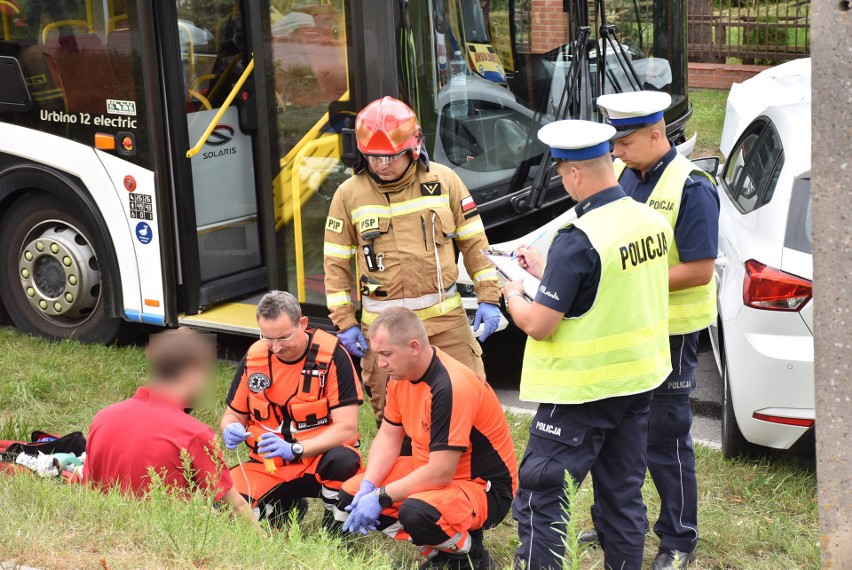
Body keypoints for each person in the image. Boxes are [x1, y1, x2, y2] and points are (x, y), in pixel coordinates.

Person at [503, 120, 674, 570]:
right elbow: (607, 289)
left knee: (542, 496)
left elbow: (540, 325)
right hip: (637, 385)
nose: (563, 181)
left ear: (575, 173)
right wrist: (548, 271)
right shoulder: (649, 221)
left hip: (579, 395)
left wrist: (515, 295)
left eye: (561, 173)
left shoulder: (577, 239)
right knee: (621, 496)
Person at [585, 90, 720, 569]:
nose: (615, 154)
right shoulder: (628, 176)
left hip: (673, 334)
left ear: (656, 134)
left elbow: (700, 269)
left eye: (623, 144)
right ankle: (614, 521)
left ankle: (679, 539)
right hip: (632, 328)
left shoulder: (693, 187)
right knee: (620, 429)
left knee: (665, 438)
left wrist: (628, 279)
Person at [323, 96, 502, 420]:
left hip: (446, 324)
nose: (382, 165)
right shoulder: (348, 195)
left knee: (472, 406)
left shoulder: (444, 181)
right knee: (394, 418)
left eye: (391, 156)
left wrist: (489, 296)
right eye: (374, 157)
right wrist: (345, 322)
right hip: (384, 330)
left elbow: (475, 244)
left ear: (414, 147)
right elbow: (336, 264)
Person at [337, 307, 517, 570]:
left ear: (413, 347)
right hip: (430, 473)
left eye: (387, 354)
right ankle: (439, 552)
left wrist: (381, 496)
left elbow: (441, 472)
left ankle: (470, 557)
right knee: (349, 495)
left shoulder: (450, 385)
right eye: (379, 355)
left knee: (416, 512)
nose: (382, 363)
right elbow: (388, 436)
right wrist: (368, 486)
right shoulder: (400, 375)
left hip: (483, 487)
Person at [220, 291, 364, 529]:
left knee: (344, 460)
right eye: (268, 338)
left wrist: (296, 449)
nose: (276, 348)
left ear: (303, 324)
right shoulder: (254, 357)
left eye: (284, 338)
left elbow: (347, 429)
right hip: (268, 465)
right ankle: (285, 508)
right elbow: (232, 414)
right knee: (226, 507)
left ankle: (335, 533)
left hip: (318, 460)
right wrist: (230, 427)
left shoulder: (332, 356)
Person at [84, 329, 252, 521]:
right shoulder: (194, 435)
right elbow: (236, 507)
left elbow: (89, 487)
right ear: (192, 373)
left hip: (108, 531)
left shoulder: (102, 419)